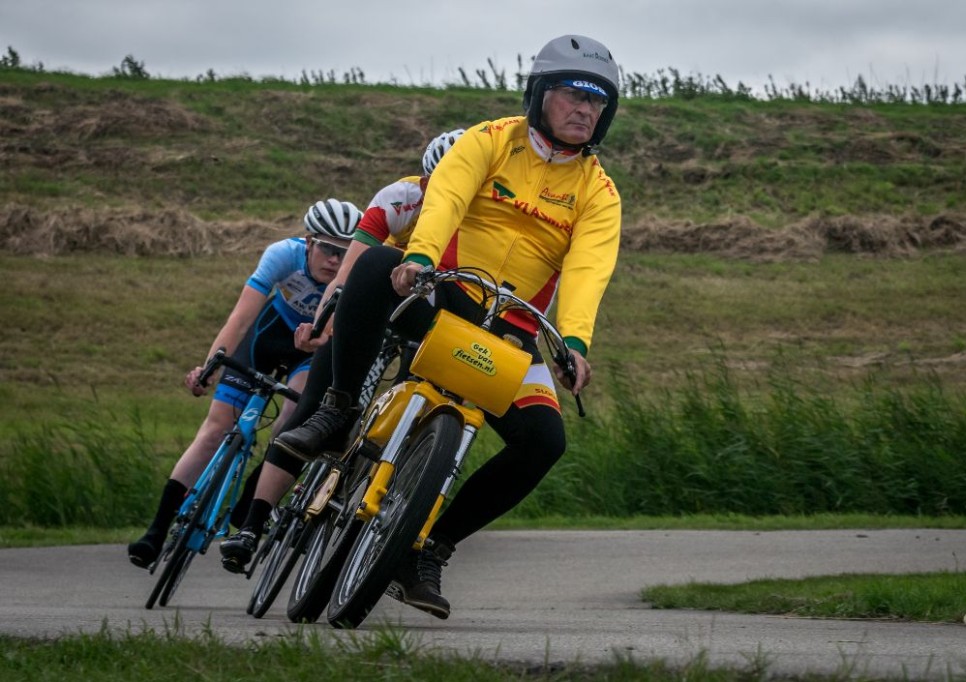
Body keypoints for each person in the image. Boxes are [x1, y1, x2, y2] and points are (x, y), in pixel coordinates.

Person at [272, 34, 622, 620]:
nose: (586, 110)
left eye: (598, 103)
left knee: (545, 442)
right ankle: (336, 410)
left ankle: (429, 551)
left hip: (511, 330)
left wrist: (575, 343)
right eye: (573, 95)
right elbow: (447, 197)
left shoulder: (599, 191)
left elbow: (589, 266)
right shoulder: (490, 139)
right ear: (539, 94)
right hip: (442, 297)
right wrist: (422, 259)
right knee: (379, 263)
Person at [218, 128, 466, 572]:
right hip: (372, 304)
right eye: (436, 186)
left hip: (426, 317)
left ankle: (392, 486)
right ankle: (251, 526)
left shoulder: (488, 220)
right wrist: (323, 320)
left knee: (422, 396)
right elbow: (348, 270)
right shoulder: (401, 196)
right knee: (312, 405)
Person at [127, 198, 363, 568]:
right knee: (215, 428)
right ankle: (156, 532)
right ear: (308, 242)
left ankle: (253, 501)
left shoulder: (350, 276)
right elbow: (240, 319)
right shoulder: (282, 255)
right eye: (329, 249)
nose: (335, 260)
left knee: (292, 420)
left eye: (344, 253)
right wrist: (209, 368)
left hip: (310, 350)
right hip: (266, 336)